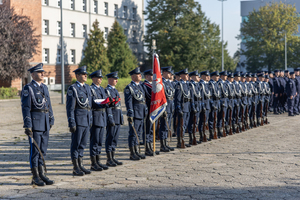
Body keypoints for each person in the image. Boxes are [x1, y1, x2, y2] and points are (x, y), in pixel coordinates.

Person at [21, 63, 54, 186]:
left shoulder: (44, 87)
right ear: (33, 74)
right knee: (35, 151)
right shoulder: (28, 88)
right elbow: (26, 108)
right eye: (40, 72)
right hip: (35, 123)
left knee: (43, 150)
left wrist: (51, 117)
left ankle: (42, 174)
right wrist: (27, 124)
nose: (42, 74)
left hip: (45, 122)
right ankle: (35, 176)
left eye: (43, 72)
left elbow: (48, 104)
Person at [66, 65, 92, 176]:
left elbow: (89, 105)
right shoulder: (73, 89)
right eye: (83, 74)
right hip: (78, 120)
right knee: (76, 144)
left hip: (86, 120)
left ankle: (81, 165)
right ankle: (76, 167)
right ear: (77, 76)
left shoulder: (87, 88)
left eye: (86, 74)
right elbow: (70, 107)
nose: (85, 75)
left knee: (83, 144)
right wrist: (71, 122)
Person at [124, 67, 147, 160]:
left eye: (140, 74)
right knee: (133, 134)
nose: (140, 76)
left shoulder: (141, 86)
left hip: (141, 113)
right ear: (133, 77)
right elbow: (128, 102)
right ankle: (132, 153)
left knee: (138, 133)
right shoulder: (129, 88)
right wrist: (130, 113)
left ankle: (136, 151)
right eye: (138, 74)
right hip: (135, 113)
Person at [89, 70, 110, 171]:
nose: (101, 79)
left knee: (100, 141)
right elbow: (91, 103)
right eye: (99, 77)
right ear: (93, 78)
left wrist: (110, 102)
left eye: (101, 78)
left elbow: (105, 100)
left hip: (102, 116)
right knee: (95, 141)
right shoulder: (91, 89)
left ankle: (98, 161)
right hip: (96, 115)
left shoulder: (102, 89)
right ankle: (93, 163)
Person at [105, 71, 124, 166]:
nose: (116, 80)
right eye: (114, 78)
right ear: (110, 79)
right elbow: (107, 106)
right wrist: (110, 118)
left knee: (115, 138)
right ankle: (109, 159)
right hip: (112, 116)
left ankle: (113, 157)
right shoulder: (107, 91)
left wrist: (121, 117)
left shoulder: (115, 90)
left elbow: (119, 105)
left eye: (117, 79)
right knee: (110, 137)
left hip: (117, 116)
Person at [142, 69, 159, 156]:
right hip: (148, 109)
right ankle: (147, 148)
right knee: (147, 129)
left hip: (154, 110)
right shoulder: (144, 85)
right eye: (151, 75)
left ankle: (151, 147)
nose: (153, 77)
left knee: (152, 130)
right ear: (147, 76)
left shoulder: (154, 85)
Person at [174, 68, 192, 148]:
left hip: (187, 107)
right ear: (181, 75)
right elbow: (177, 99)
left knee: (184, 125)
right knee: (181, 125)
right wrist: (179, 109)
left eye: (187, 74)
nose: (187, 76)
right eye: (185, 74)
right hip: (183, 107)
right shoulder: (179, 85)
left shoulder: (187, 84)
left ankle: (183, 139)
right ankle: (179, 142)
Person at [159, 66, 175, 152]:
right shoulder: (161, 83)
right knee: (164, 126)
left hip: (170, 107)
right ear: (164, 73)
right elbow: (161, 97)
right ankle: (162, 145)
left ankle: (166, 144)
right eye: (168, 72)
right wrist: (163, 109)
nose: (170, 74)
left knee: (167, 126)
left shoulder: (169, 83)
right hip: (165, 108)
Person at [187, 70, 202, 144]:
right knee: (192, 123)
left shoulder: (197, 84)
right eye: (196, 76)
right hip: (194, 106)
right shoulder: (191, 85)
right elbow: (192, 97)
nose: (198, 77)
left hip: (198, 105)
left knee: (195, 123)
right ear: (192, 76)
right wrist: (193, 106)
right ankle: (191, 138)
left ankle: (194, 137)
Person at [208, 71, 221, 139]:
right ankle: (211, 133)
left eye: (218, 76)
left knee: (215, 119)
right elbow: (210, 96)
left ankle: (215, 132)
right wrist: (212, 104)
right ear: (213, 76)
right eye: (217, 76)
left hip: (217, 103)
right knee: (212, 119)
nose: (218, 77)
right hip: (213, 104)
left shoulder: (216, 84)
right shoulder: (211, 84)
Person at [198, 71, 211, 142]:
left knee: (205, 121)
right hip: (204, 105)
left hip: (207, 105)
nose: (208, 77)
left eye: (208, 76)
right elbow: (201, 96)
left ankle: (204, 135)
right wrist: (203, 106)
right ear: (202, 76)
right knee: (202, 121)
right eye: (206, 76)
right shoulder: (201, 84)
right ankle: (201, 136)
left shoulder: (206, 84)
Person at [218, 71, 229, 137]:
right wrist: (221, 102)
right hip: (222, 103)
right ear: (221, 76)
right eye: (225, 75)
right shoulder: (219, 83)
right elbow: (218, 94)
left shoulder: (225, 83)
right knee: (220, 117)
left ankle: (223, 129)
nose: (226, 77)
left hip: (225, 102)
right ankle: (219, 131)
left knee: (224, 117)